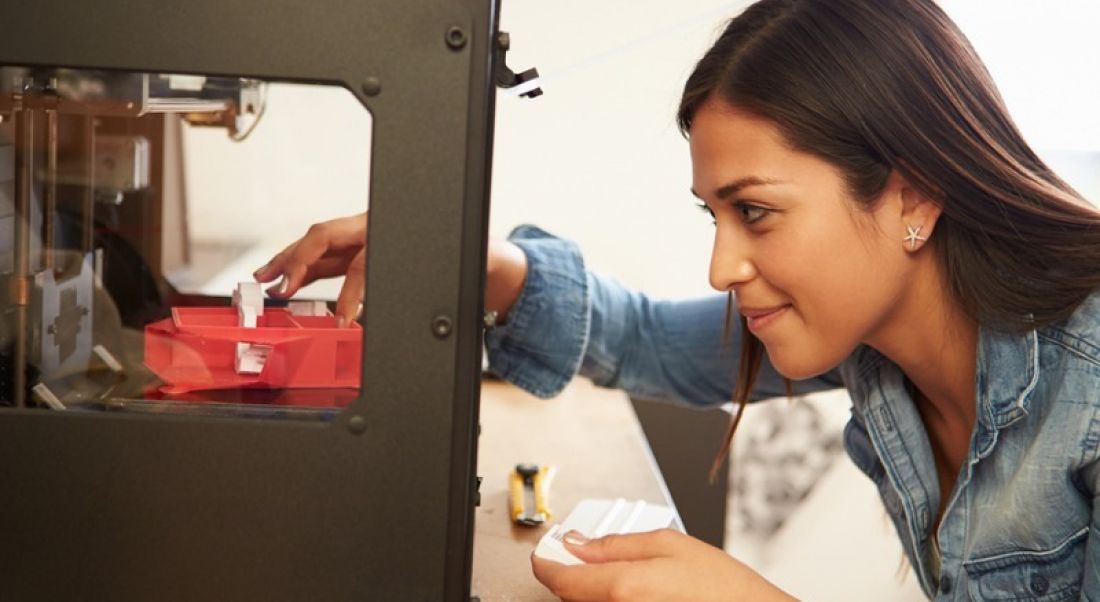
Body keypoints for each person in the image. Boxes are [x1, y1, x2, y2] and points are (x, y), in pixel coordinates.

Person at [253, 0, 1100, 598]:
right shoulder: (870, 340)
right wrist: (472, 258)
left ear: (912, 199)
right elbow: (651, 341)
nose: (721, 266)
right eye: (715, 215)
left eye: (756, 212)